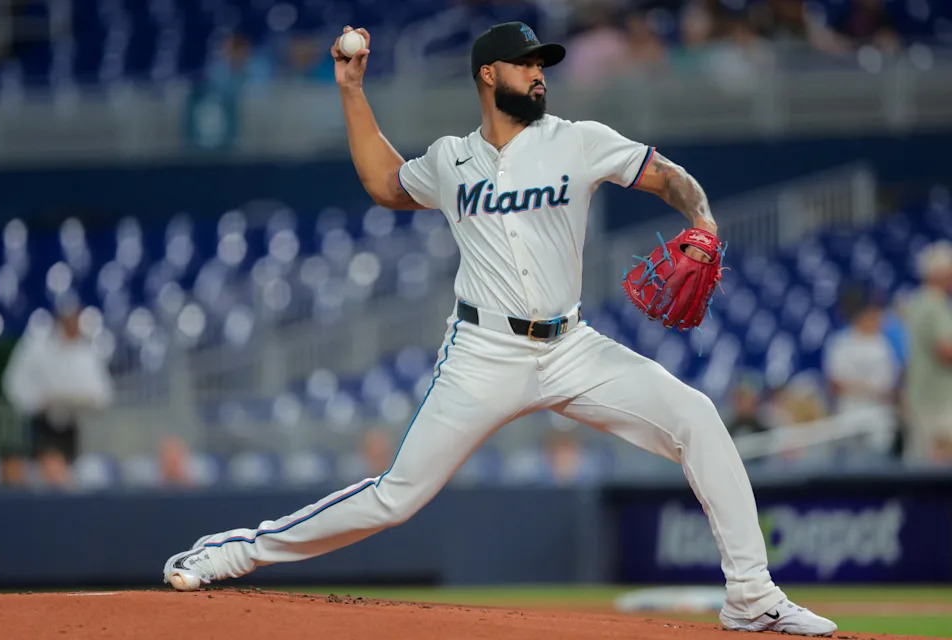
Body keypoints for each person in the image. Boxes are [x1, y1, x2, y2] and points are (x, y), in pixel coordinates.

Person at [163, 22, 836, 636]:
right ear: (489, 75)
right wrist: (351, 88)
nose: (539, 74)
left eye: (543, 65)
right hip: (482, 352)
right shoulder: (452, 159)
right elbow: (384, 183)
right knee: (395, 498)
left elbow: (668, 180)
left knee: (696, 415)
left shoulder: (578, 139)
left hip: (571, 346)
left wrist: (705, 218)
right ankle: (234, 552)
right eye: (525, 64)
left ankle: (751, 596)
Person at [2, 300, 114, 487]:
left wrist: (82, 401)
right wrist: (39, 401)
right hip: (40, 426)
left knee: (72, 479)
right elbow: (13, 384)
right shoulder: (36, 348)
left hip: (74, 428)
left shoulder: (87, 354)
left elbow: (103, 395)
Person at [823, 286, 899, 456]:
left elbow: (888, 385)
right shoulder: (841, 343)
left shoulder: (883, 345)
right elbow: (836, 382)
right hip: (850, 411)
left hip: (878, 414)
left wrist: (860, 388)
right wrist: (868, 389)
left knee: (879, 457)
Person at [902, 241, 952, 465]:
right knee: (938, 467)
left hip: (920, 398)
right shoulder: (935, 304)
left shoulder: (916, 301)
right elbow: (945, 351)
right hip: (937, 402)